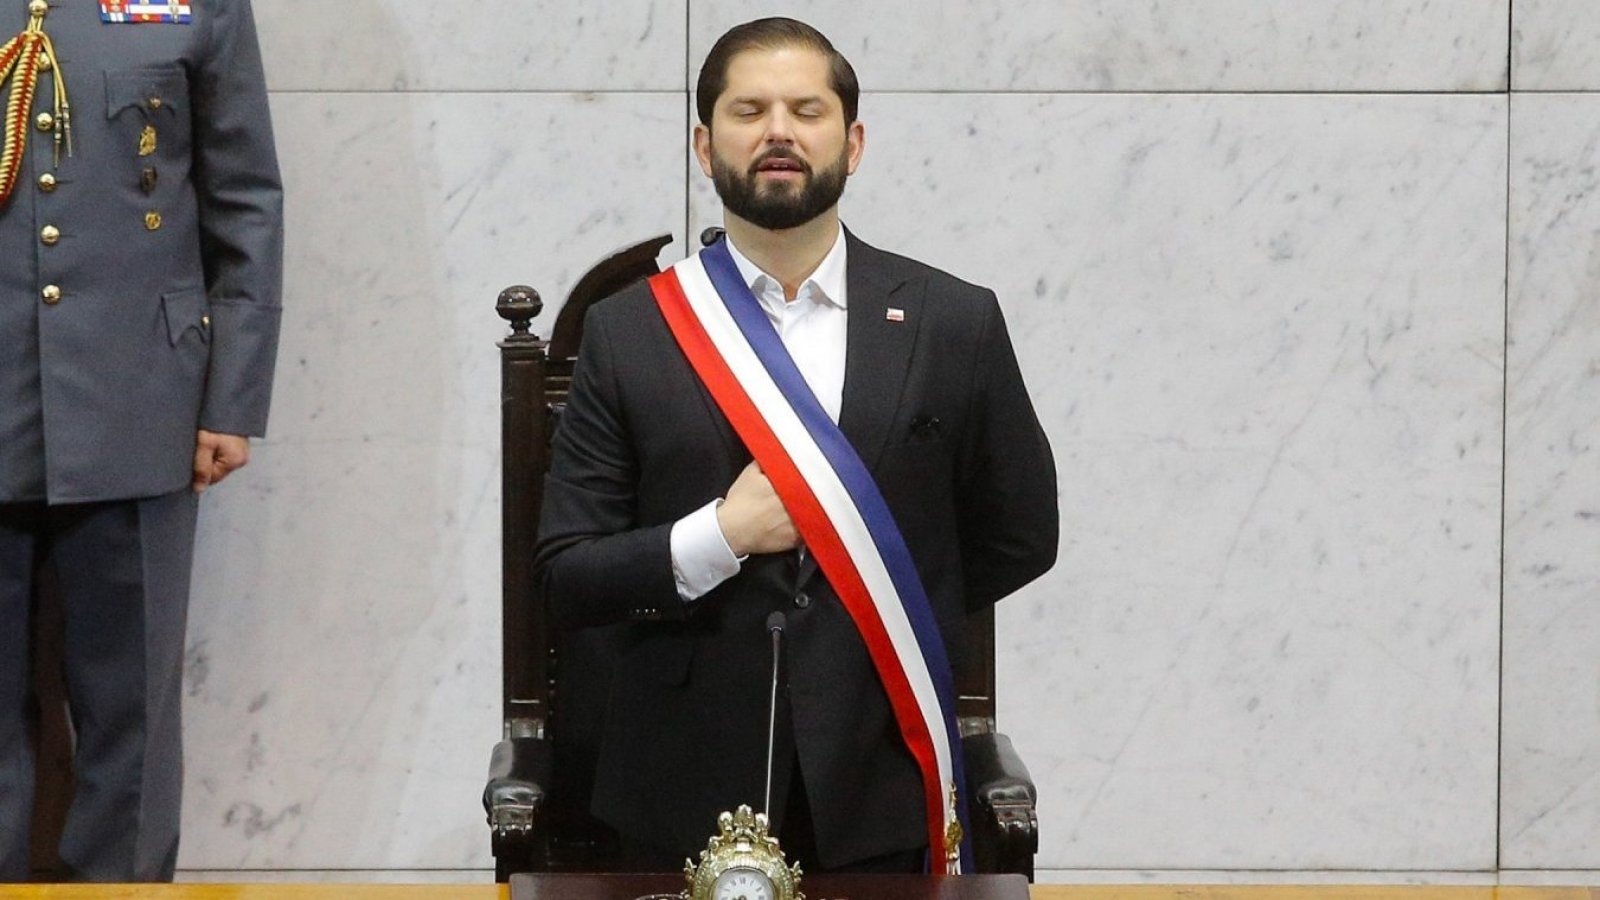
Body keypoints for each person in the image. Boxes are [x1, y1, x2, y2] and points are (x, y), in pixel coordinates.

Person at [535, 17, 1056, 875]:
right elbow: (568, 576)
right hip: (677, 781)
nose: (778, 130)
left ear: (852, 143)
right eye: (750, 111)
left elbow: (1021, 534)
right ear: (705, 147)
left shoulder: (953, 321)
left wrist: (879, 605)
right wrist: (722, 536)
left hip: (884, 764)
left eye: (805, 110)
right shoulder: (628, 331)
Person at [0, 0, 282, 883]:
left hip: (139, 400)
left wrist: (230, 398)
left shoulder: (199, 6)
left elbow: (245, 201)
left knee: (133, 718)